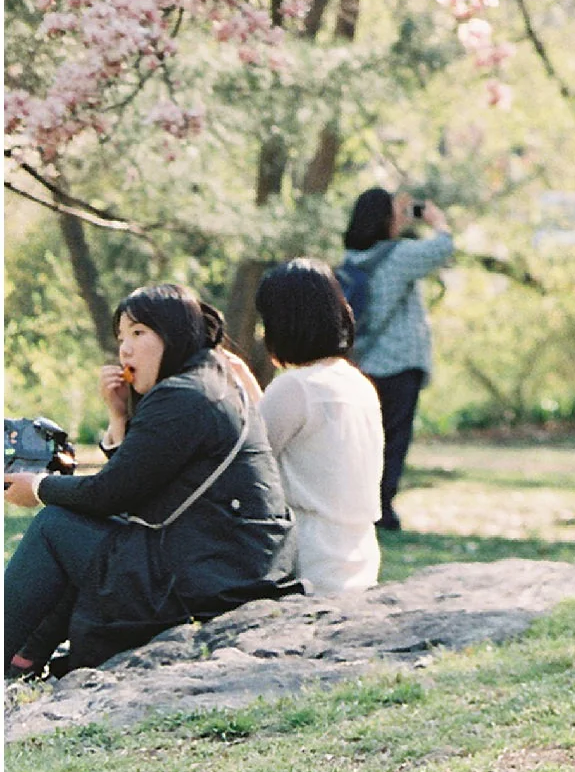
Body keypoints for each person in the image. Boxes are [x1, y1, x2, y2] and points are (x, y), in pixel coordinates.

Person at [5, 284, 299, 678]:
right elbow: (138, 483)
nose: (125, 349)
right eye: (121, 338)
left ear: (175, 333)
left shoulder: (185, 396)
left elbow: (108, 494)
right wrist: (118, 417)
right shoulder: (209, 380)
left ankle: (13, 653)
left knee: (55, 526)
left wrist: (38, 487)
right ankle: (23, 660)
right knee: (81, 532)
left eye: (138, 333)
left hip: (213, 579)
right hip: (233, 565)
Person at [256, 262, 385, 595]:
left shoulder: (295, 387)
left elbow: (246, 458)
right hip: (360, 559)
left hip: (310, 564)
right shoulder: (358, 384)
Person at [340, 189, 455, 534]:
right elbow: (443, 248)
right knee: (394, 439)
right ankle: (382, 510)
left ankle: (362, 505)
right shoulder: (399, 256)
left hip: (364, 361)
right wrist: (437, 222)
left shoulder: (352, 259)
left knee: (367, 440)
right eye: (396, 213)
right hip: (399, 361)